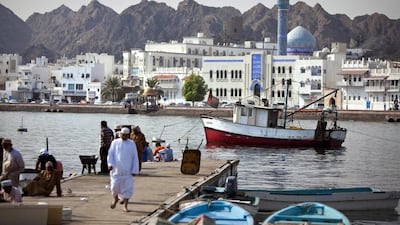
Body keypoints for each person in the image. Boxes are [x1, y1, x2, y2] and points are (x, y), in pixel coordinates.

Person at [107, 127, 139, 212]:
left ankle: (125, 206)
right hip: (116, 170)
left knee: (127, 189)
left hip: (127, 171)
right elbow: (111, 154)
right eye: (122, 134)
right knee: (114, 188)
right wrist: (110, 164)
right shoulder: (115, 142)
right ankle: (115, 198)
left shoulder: (131, 143)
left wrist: (134, 170)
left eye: (125, 135)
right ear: (120, 134)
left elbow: (135, 157)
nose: (123, 136)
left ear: (128, 135)